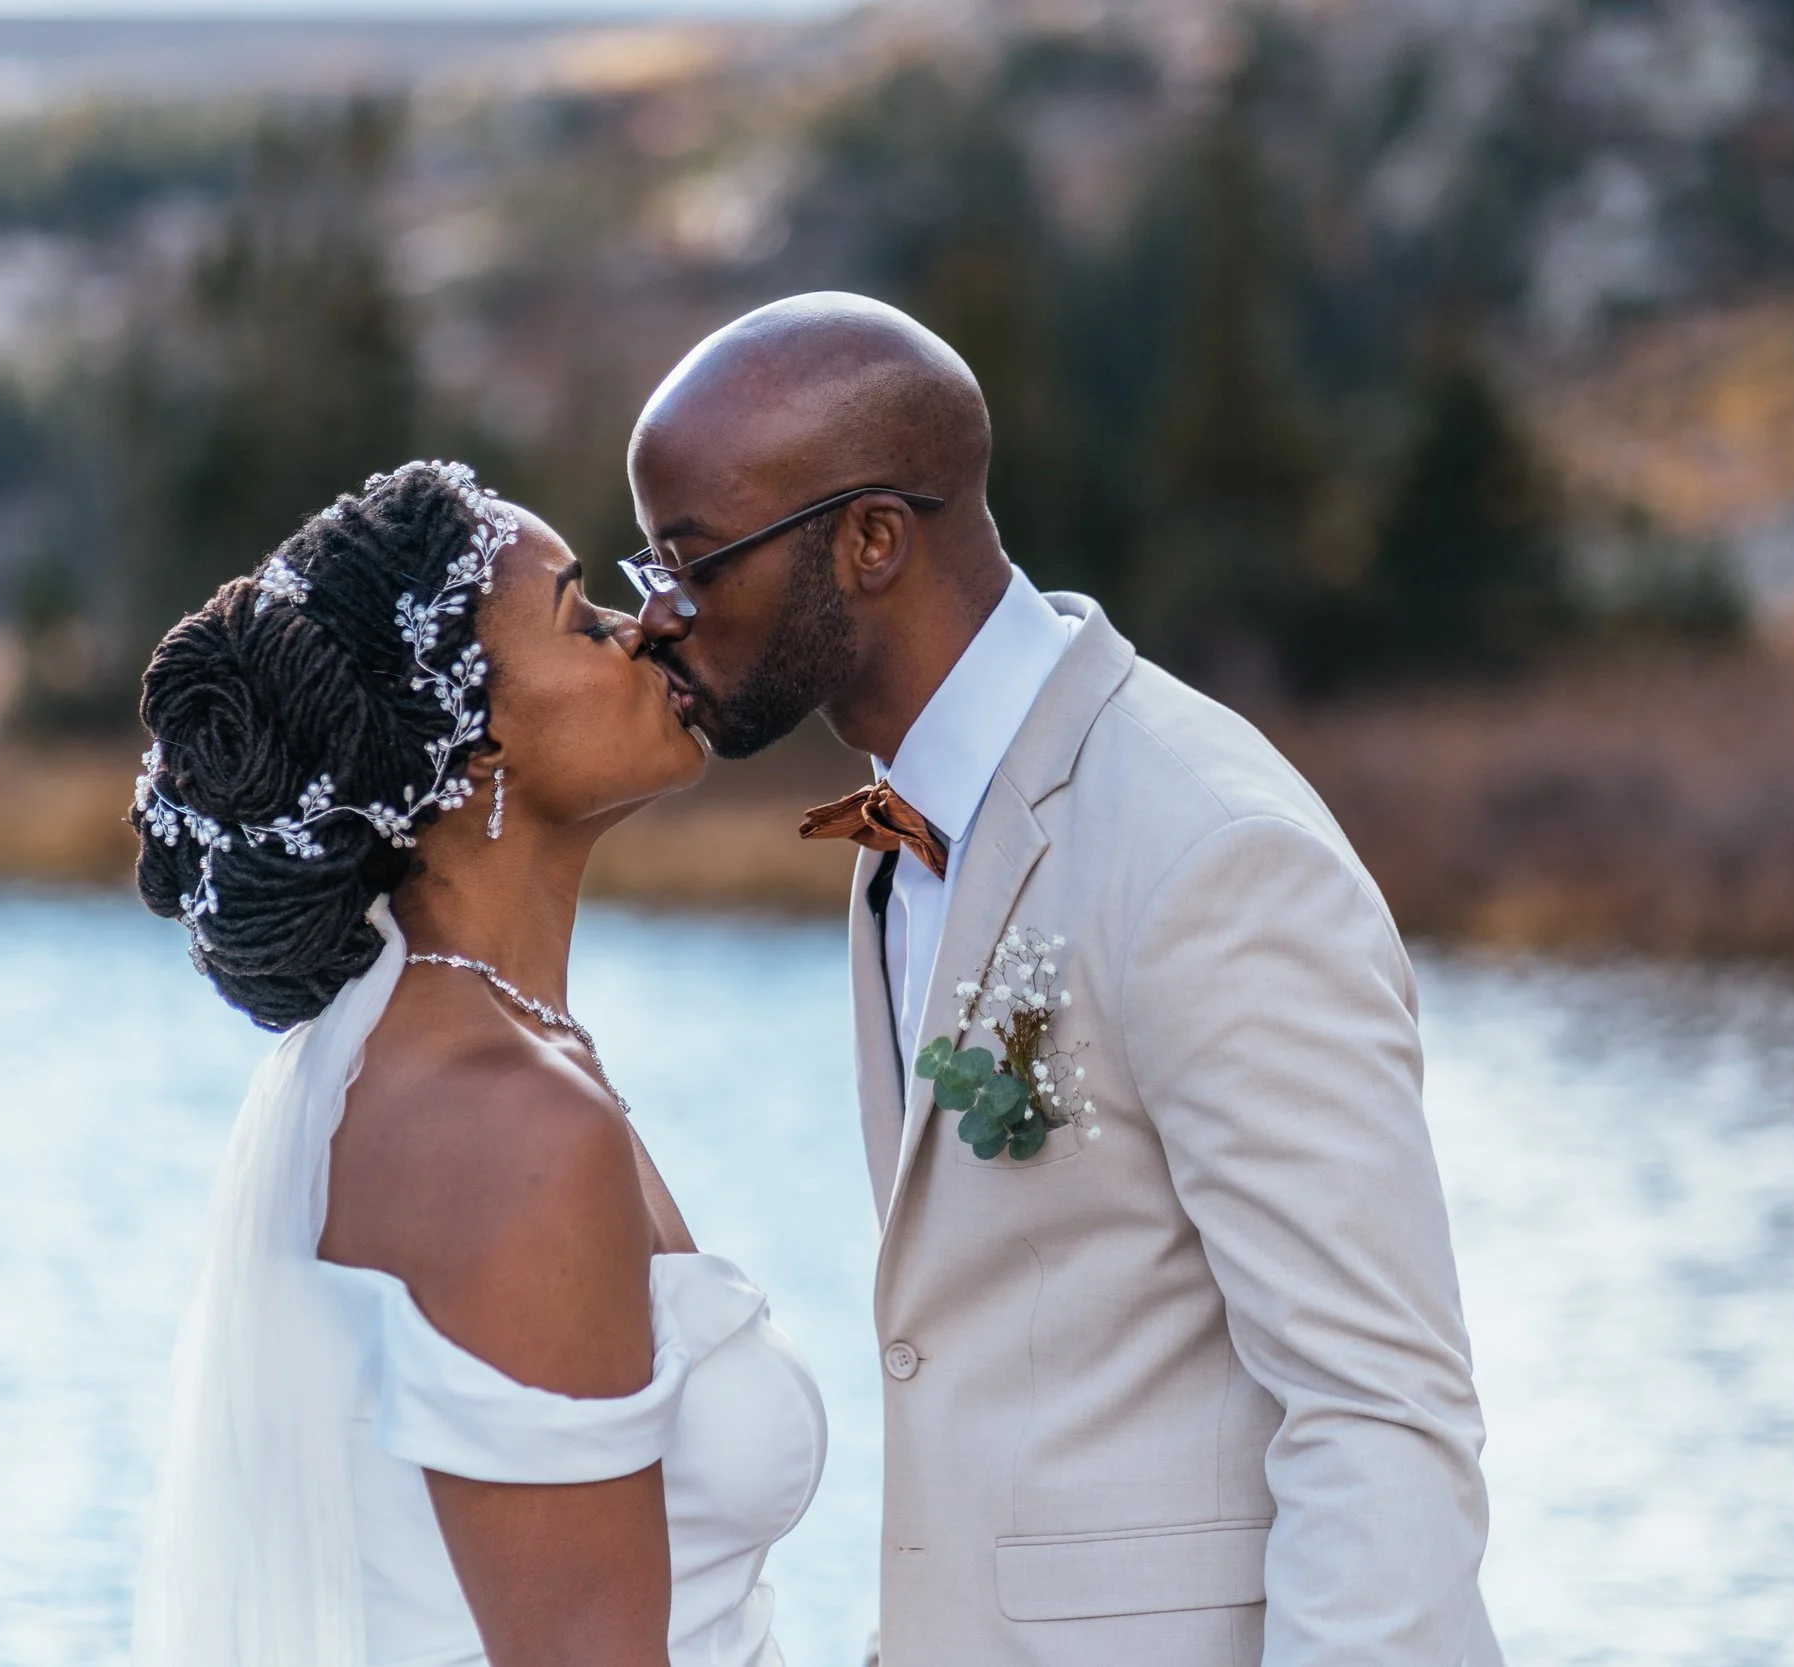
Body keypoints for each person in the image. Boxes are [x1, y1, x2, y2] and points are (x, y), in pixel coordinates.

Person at [626, 294, 1502, 1667]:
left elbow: (1379, 1412)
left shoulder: (1210, 850)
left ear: (868, 540)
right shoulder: (900, 835)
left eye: (694, 558)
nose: (656, 617)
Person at [126, 460, 826, 1667]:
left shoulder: (496, 1051)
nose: (652, 619)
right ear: (478, 740)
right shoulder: (504, 1123)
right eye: (580, 612)